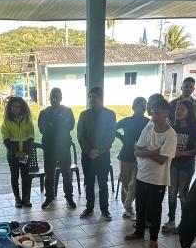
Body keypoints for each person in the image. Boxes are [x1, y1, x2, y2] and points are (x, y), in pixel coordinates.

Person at [124, 98, 176, 248]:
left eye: (156, 114)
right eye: (152, 113)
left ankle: (153, 238)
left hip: (158, 179)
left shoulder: (171, 134)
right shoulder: (148, 127)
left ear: (166, 113)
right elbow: (136, 151)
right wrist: (152, 151)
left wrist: (144, 153)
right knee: (140, 206)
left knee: (155, 209)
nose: (153, 117)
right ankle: (139, 232)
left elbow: (161, 160)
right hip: (142, 175)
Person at [163, 99, 196, 234]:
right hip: (173, 164)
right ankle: (171, 220)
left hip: (186, 164)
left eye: (182, 109)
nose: (178, 112)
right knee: (171, 192)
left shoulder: (195, 129)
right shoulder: (173, 128)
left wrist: (181, 153)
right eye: (177, 109)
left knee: (183, 194)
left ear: (189, 112)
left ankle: (183, 222)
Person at [77, 86, 117, 220]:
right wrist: (89, 150)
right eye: (90, 97)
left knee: (102, 183)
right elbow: (80, 135)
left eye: (94, 97)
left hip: (102, 155)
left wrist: (98, 150)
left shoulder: (110, 114)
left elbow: (110, 135)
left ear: (101, 98)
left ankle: (105, 210)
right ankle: (89, 208)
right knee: (88, 182)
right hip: (87, 156)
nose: (92, 99)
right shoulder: (84, 115)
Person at [37, 88, 77, 209]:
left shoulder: (67, 111)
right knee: (49, 174)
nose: (54, 99)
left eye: (57, 96)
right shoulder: (43, 113)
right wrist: (59, 124)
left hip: (63, 147)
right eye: (52, 96)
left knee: (67, 173)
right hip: (49, 149)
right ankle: (49, 197)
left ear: (61, 98)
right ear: (49, 98)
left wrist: (52, 124)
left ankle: (69, 197)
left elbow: (70, 126)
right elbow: (42, 129)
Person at [115, 96, 150, 219]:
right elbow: (113, 128)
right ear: (134, 107)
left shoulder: (148, 122)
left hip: (140, 157)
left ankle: (128, 207)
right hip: (125, 155)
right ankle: (127, 205)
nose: (141, 109)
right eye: (138, 106)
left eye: (143, 106)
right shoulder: (127, 120)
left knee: (134, 184)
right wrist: (122, 138)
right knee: (125, 183)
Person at [1, 96, 35, 207]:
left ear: (22, 108)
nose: (16, 109)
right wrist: (16, 152)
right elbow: (6, 140)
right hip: (13, 155)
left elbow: (31, 138)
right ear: (10, 108)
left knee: (26, 176)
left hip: (25, 155)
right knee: (14, 177)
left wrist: (25, 152)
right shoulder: (6, 122)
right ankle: (17, 198)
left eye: (19, 107)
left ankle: (26, 198)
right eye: (14, 107)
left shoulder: (27, 121)